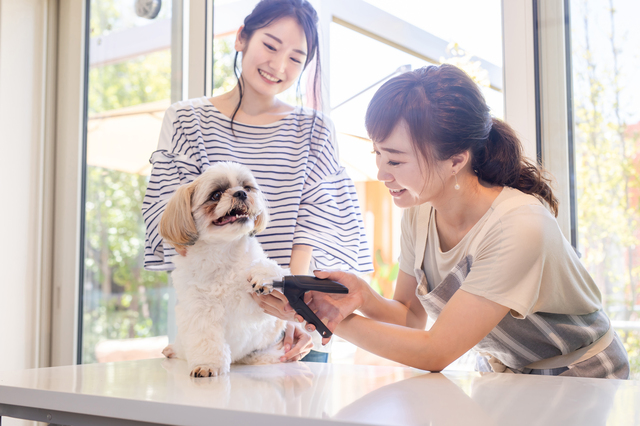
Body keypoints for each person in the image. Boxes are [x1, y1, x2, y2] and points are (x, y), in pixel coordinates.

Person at [300, 64, 630, 379]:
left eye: (396, 160)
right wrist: (364, 297)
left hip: (585, 375)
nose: (381, 173)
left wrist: (328, 319)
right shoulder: (418, 211)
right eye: (378, 154)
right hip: (509, 372)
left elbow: (436, 352)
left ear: (456, 160)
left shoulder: (519, 226)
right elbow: (410, 317)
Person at [142, 0, 373, 363]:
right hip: (213, 329)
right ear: (241, 39)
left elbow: (312, 227)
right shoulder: (186, 119)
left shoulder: (315, 130)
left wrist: (295, 311)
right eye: (270, 45)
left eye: (297, 58)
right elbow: (176, 225)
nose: (279, 66)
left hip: (287, 328)